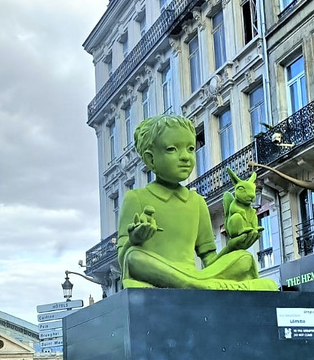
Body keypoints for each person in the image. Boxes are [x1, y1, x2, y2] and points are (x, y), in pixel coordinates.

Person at [118, 115, 277, 292]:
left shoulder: (197, 202)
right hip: (157, 271)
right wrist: (134, 240)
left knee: (244, 258)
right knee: (134, 257)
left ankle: (200, 284)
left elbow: (209, 259)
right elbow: (123, 259)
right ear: (150, 159)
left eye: (190, 149)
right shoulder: (136, 198)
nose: (185, 157)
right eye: (172, 149)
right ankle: (209, 286)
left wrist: (233, 246)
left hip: (198, 276)